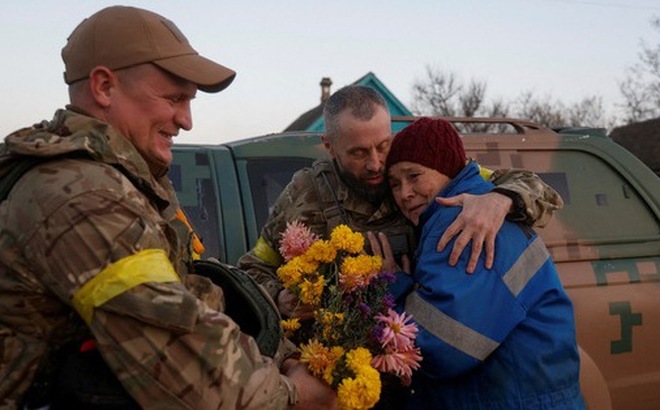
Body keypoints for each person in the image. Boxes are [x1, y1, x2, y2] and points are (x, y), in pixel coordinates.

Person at [0, 6, 337, 410]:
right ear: (104, 87)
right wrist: (296, 397)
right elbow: (181, 358)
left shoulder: (124, 180)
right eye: (174, 98)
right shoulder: (80, 197)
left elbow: (192, 292)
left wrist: (284, 355)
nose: (187, 121)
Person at [237, 85, 563, 320]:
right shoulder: (304, 194)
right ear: (329, 146)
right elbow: (254, 266)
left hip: (419, 354)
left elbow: (540, 191)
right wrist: (279, 297)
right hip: (340, 370)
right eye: (359, 152)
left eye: (383, 145)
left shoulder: (422, 176)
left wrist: (499, 199)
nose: (376, 164)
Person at [374, 117, 584, 409]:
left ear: (446, 169)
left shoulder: (460, 221)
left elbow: (440, 349)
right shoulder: (480, 203)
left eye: (415, 176)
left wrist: (393, 287)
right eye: (395, 184)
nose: (404, 193)